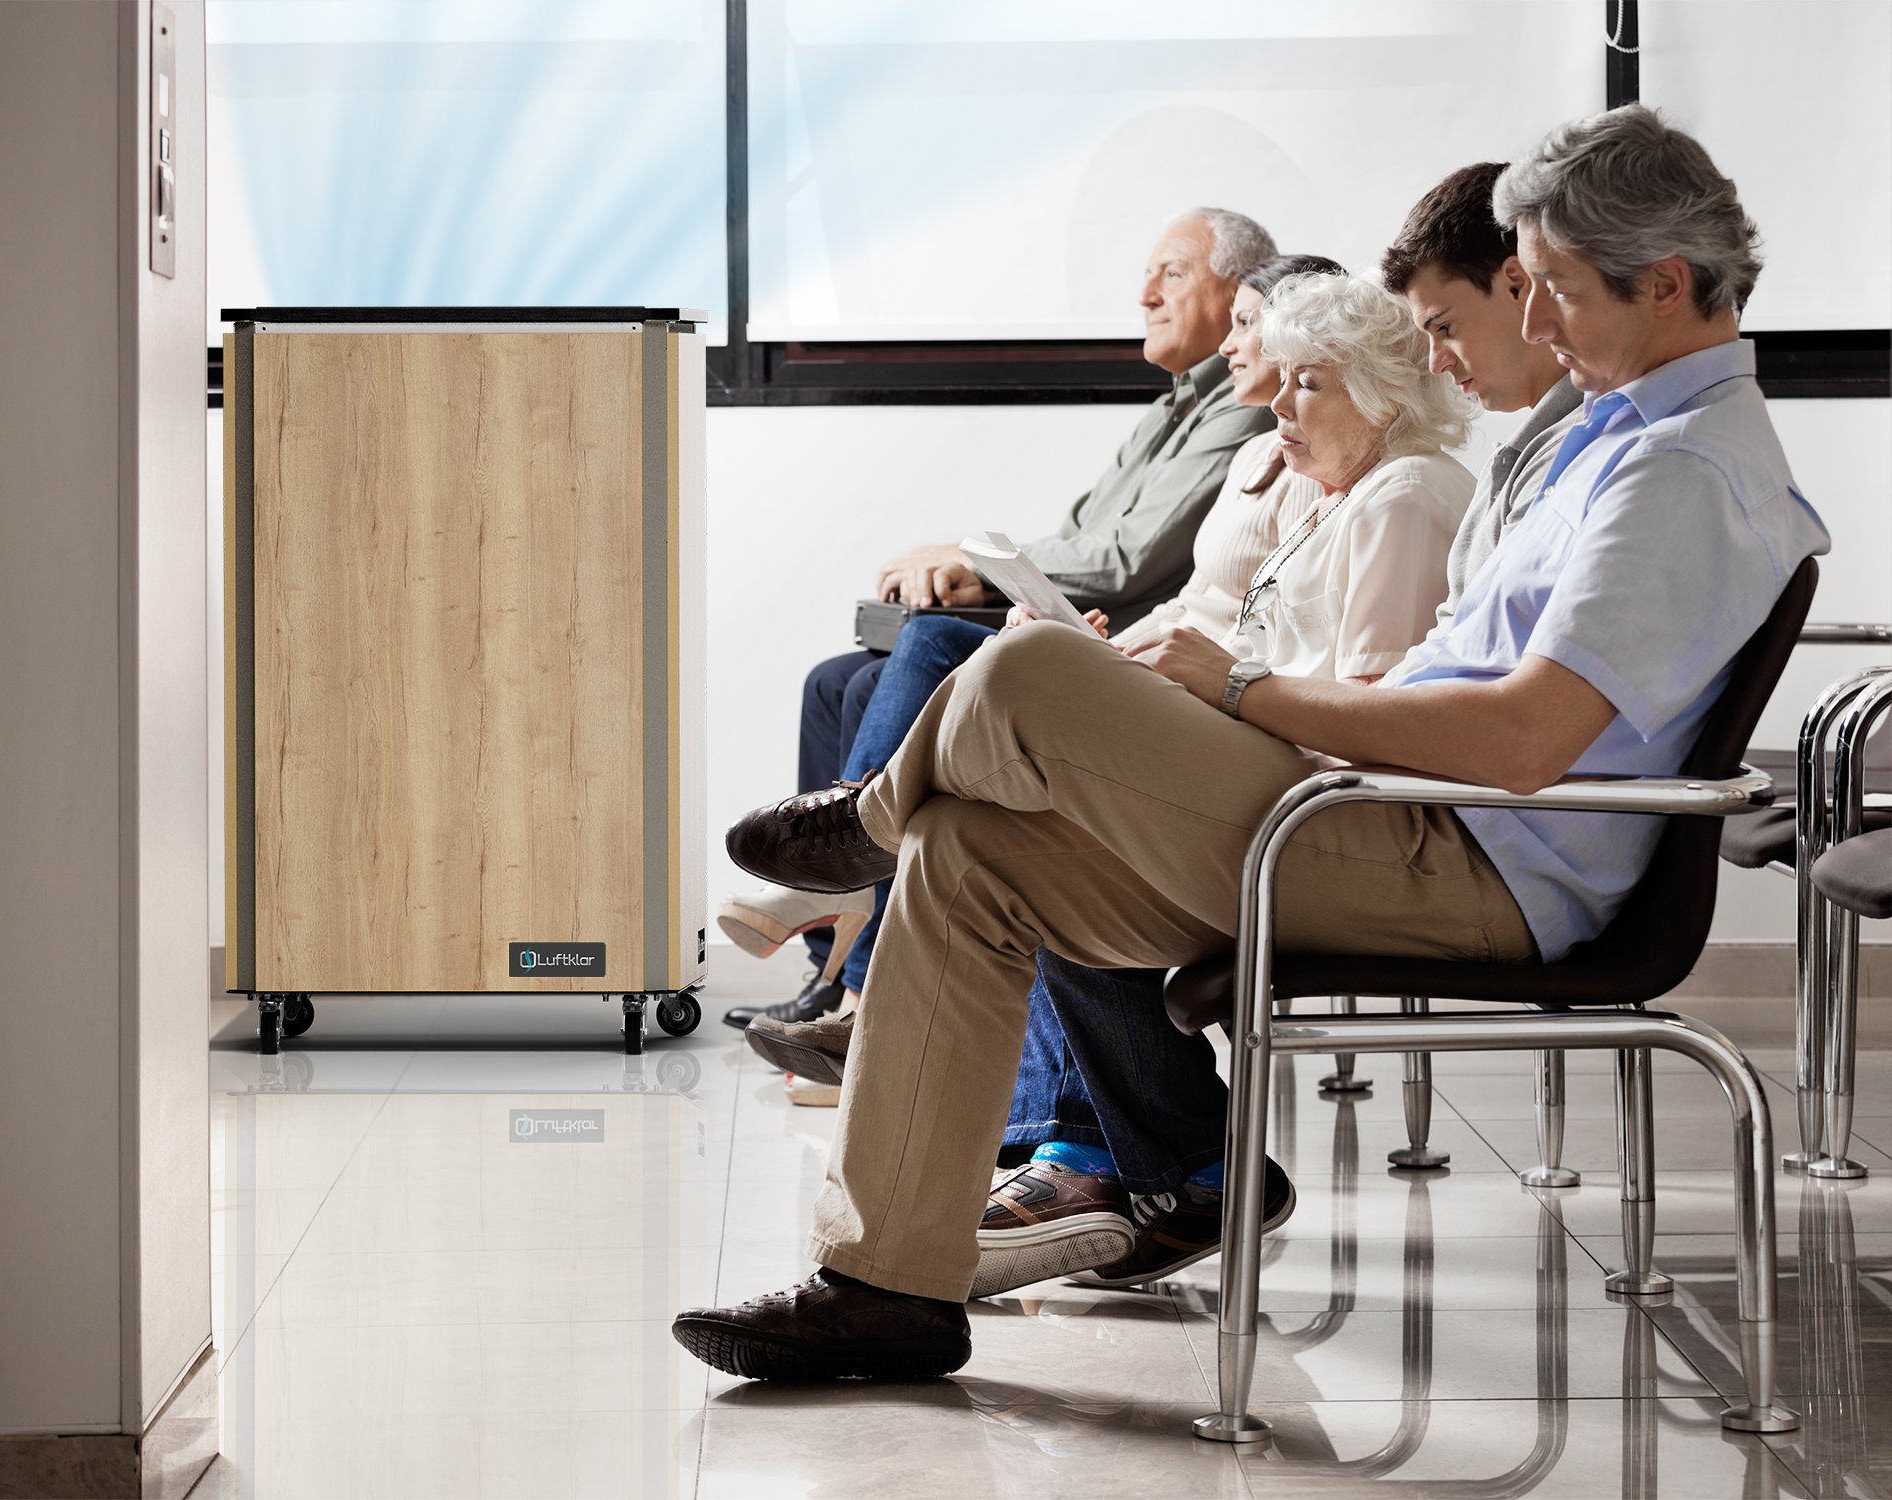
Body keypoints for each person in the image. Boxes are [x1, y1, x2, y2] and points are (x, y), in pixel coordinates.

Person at [672, 104, 1827, 1384]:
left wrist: (1248, 691)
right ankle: (883, 1282)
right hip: (1388, 814)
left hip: (1464, 865)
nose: (1534, 323)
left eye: (1551, 291)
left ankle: (860, 830)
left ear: (1662, 284)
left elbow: (1519, 738)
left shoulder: (1679, 474)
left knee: (1028, 669)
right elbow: (1478, 683)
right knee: (969, 847)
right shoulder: (1595, 444)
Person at [987, 162, 1591, 1293]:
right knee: (1027, 767)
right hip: (1302, 774)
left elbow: (1368, 714)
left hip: (1349, 804)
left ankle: (1137, 1155)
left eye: (1303, 383)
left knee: (1037, 785)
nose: (1273, 406)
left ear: (1375, 387)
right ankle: (1113, 1153)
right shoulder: (1336, 493)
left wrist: (1204, 696)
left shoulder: (1408, 496)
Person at [740, 254, 1343, 1082]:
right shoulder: (1235, 442)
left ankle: (861, 941)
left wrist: (1065, 616)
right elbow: (1190, 590)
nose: (1147, 297)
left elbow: (1196, 592)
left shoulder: (1287, 454)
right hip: (1159, 654)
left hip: (1207, 698)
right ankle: (852, 966)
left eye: (1246, 322)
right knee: (857, 673)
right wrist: (1088, 629)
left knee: (935, 667)